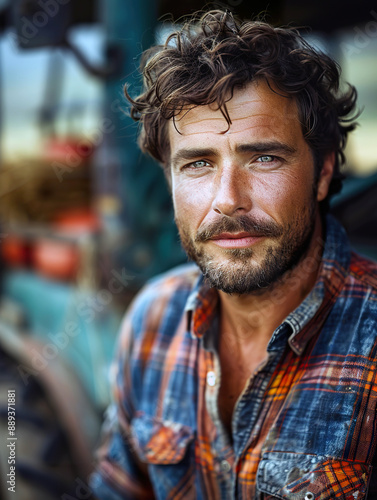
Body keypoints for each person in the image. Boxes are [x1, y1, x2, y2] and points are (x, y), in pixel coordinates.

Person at [90, 10, 377, 500]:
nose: (228, 198)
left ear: (324, 171)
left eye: (263, 157)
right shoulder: (150, 321)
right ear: (170, 181)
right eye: (198, 163)